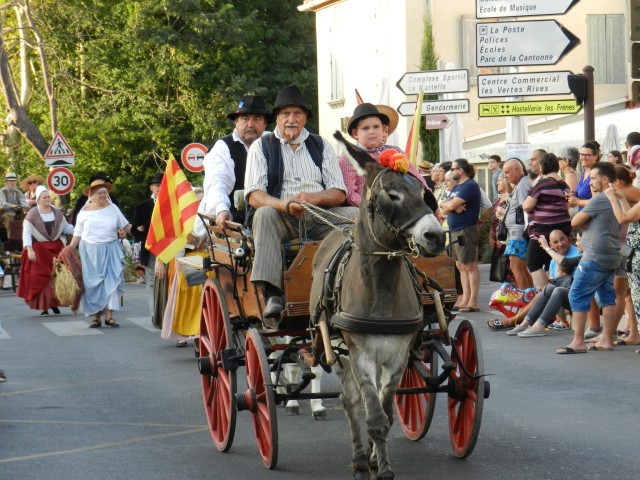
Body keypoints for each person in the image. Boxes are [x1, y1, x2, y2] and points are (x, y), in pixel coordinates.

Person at [244, 84, 358, 318]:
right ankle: (274, 294)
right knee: (263, 214)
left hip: (318, 215)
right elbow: (254, 195)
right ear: (276, 118)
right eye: (285, 114)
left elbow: (339, 193)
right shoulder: (261, 147)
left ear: (305, 118)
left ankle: (356, 285)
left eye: (297, 113)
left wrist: (313, 198)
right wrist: (284, 205)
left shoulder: (321, 145)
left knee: (358, 218)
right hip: (281, 217)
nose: (291, 119)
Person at [558, 162, 620, 354]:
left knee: (576, 294)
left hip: (595, 255)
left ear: (605, 179)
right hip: (612, 253)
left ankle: (578, 342)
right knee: (607, 297)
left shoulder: (600, 199)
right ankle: (606, 340)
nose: (590, 182)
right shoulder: (616, 196)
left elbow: (574, 221)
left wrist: (585, 218)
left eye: (593, 178)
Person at [67, 179, 132, 328]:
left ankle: (109, 316)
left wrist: (139, 230)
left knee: (110, 282)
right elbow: (78, 233)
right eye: (99, 193)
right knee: (92, 285)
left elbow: (126, 225)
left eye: (104, 192)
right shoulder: (84, 212)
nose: (102, 195)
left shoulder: (113, 208)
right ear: (92, 194)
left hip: (111, 248)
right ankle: (96, 317)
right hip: (90, 251)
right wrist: (69, 249)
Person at [200, 95, 270, 228]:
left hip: (272, 219)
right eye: (245, 119)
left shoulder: (272, 144)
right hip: (234, 224)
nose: (250, 124)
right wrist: (222, 209)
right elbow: (217, 183)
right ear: (236, 121)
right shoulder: (223, 147)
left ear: (264, 123)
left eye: (257, 119)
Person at [339, 103, 426, 207]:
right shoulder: (349, 157)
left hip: (402, 207)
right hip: (368, 211)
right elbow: (350, 194)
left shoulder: (396, 151)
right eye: (365, 128)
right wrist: (377, 207)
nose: (371, 131)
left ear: (383, 129)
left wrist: (429, 198)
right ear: (355, 133)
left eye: (376, 127)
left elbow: (417, 178)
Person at [507, 230, 581, 337]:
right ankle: (525, 323)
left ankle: (538, 326)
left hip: (578, 296)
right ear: (551, 244)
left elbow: (567, 266)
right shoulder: (554, 259)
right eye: (556, 242)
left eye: (562, 239)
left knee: (558, 290)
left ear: (568, 239)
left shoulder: (579, 254)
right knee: (548, 288)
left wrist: (547, 248)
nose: (560, 244)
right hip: (568, 295)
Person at [16, 186, 75, 316]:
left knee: (56, 277)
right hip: (39, 250)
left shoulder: (57, 213)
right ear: (38, 200)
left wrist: (81, 230)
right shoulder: (32, 214)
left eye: (48, 197)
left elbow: (66, 228)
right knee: (41, 278)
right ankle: (44, 307)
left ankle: (54, 303)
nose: (47, 199)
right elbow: (26, 233)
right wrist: (29, 249)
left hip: (56, 248)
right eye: (44, 197)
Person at [522, 153, 571, 290]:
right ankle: (554, 291)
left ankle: (547, 292)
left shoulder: (542, 184)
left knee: (533, 263)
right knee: (551, 261)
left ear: (542, 167)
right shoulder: (563, 184)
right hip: (563, 228)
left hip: (542, 230)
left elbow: (527, 206)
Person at [604, 166, 640, 346]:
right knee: (634, 295)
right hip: (634, 250)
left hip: (638, 253)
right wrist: (622, 198)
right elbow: (632, 217)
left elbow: (623, 218)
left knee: (637, 296)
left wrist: (612, 199)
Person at [439, 158, 481, 312]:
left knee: (469, 265)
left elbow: (448, 205)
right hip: (455, 229)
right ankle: (465, 298)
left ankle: (472, 301)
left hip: (466, 229)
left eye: (453, 168)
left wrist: (450, 206)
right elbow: (443, 207)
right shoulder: (458, 187)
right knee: (460, 265)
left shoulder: (469, 186)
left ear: (460, 170)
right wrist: (451, 207)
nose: (451, 171)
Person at [131, 173, 163, 321]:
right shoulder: (143, 206)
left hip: (168, 250)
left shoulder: (172, 205)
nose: (160, 188)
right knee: (151, 283)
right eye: (157, 185)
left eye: (162, 185)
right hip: (149, 250)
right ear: (151, 187)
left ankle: (167, 315)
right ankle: (154, 315)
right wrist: (138, 229)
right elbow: (133, 229)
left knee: (168, 283)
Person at [501, 158, 533, 290]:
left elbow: (526, 208)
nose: (505, 176)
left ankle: (526, 300)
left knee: (516, 266)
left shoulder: (523, 184)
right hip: (517, 232)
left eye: (507, 172)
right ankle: (530, 298)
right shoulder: (522, 184)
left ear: (517, 170)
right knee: (521, 267)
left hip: (518, 233)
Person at [489, 172, 515, 285]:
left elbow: (509, 219)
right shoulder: (498, 198)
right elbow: (494, 218)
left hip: (506, 237)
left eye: (499, 180)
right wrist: (491, 234)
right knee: (502, 270)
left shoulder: (510, 198)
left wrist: (501, 238)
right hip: (497, 236)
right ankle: (508, 294)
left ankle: (518, 295)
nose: (497, 183)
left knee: (512, 269)